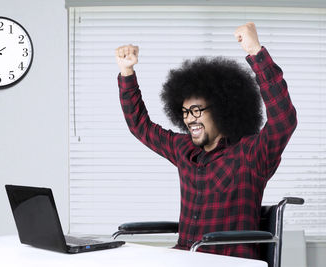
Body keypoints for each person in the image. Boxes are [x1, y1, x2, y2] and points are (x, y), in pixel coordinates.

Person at [115, 22, 297, 259]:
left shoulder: (251, 154)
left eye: (198, 110)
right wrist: (126, 72)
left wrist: (256, 52)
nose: (190, 119)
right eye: (185, 112)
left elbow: (284, 119)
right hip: (186, 258)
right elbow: (140, 126)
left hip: (228, 262)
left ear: (222, 109)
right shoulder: (184, 150)